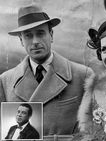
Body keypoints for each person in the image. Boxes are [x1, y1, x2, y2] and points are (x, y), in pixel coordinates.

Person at [0, 4, 93, 137]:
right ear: (21, 40)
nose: (35, 41)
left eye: (40, 33)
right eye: (28, 36)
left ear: (51, 35)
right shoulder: (5, 81)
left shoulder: (82, 75)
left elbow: (94, 130)